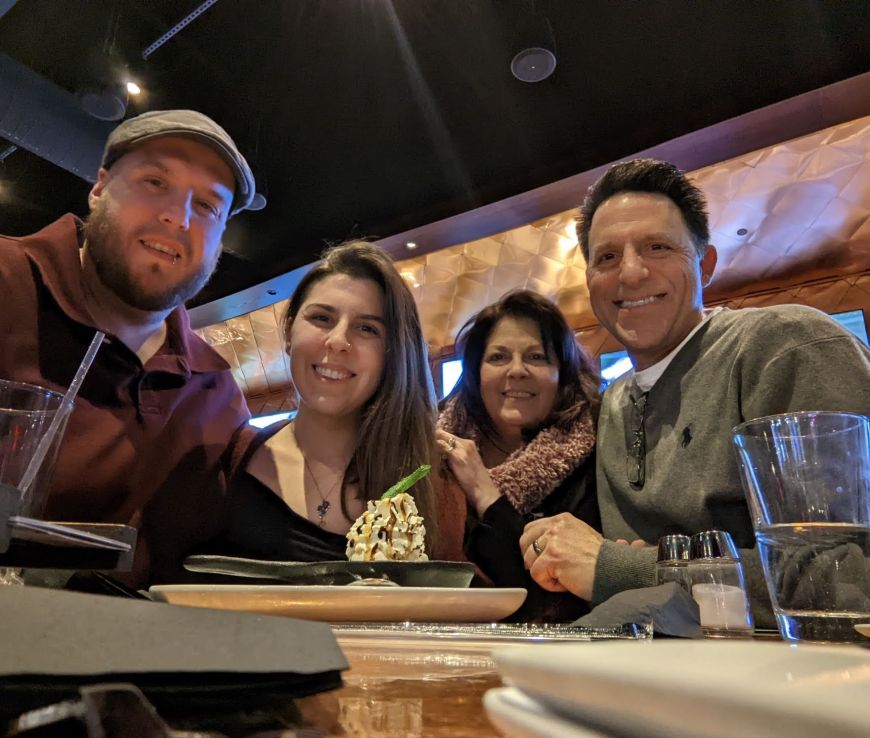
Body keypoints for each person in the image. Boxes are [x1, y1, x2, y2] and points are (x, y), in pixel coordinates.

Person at [520, 159, 870, 627]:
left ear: (704, 265)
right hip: (644, 677)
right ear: (589, 282)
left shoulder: (786, 346)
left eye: (657, 247)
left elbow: (846, 578)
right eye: (606, 257)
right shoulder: (611, 404)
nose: (630, 272)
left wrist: (617, 569)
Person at [0, 110, 256, 586]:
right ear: (99, 189)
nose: (177, 217)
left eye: (206, 207)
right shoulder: (8, 282)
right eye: (155, 181)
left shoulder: (216, 393)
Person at [208, 241, 447, 562]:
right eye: (321, 318)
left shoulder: (431, 480)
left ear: (392, 354)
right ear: (290, 331)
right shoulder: (227, 463)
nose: (337, 341)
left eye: (367, 328)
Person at [436, 290, 600, 622]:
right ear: (475, 372)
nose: (516, 370)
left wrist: (484, 492)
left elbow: (548, 596)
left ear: (562, 372)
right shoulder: (436, 445)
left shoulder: (595, 450)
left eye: (536, 357)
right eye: (498, 357)